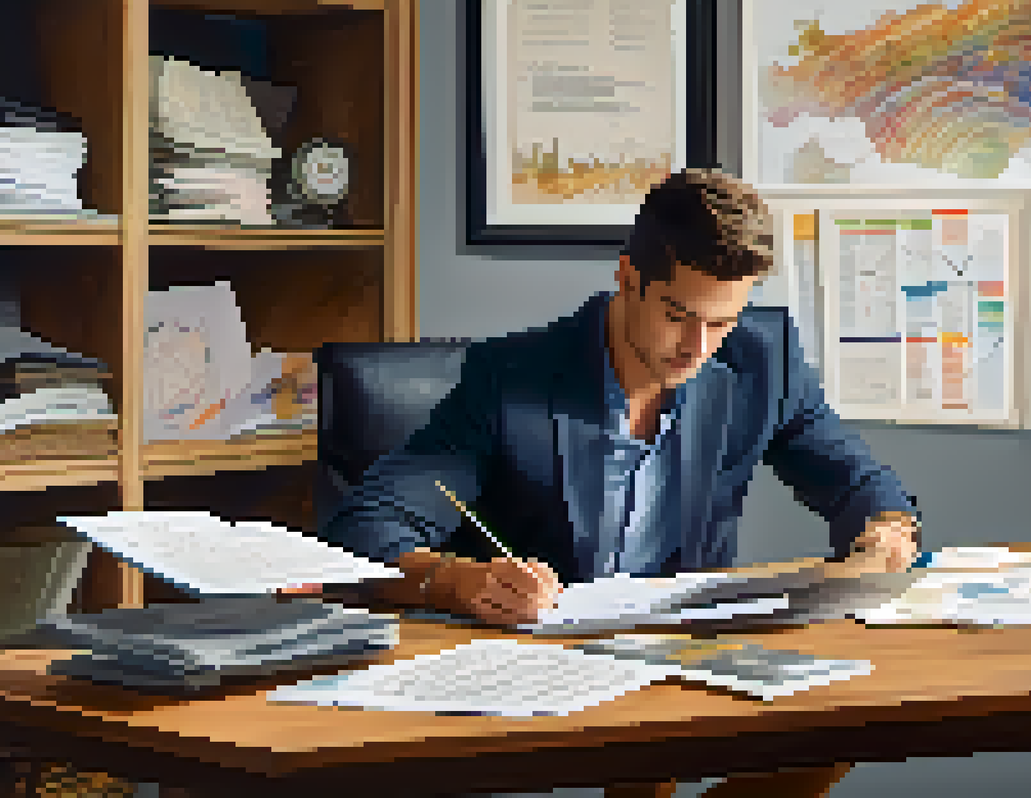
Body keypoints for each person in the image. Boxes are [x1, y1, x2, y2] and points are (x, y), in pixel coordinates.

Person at [317, 167, 921, 797]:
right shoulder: (510, 378)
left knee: (844, 725)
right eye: (678, 315)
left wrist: (886, 531)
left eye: (721, 322)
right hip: (541, 664)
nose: (698, 346)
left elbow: (860, 482)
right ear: (628, 279)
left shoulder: (762, 360)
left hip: (686, 654)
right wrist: (456, 581)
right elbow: (359, 530)